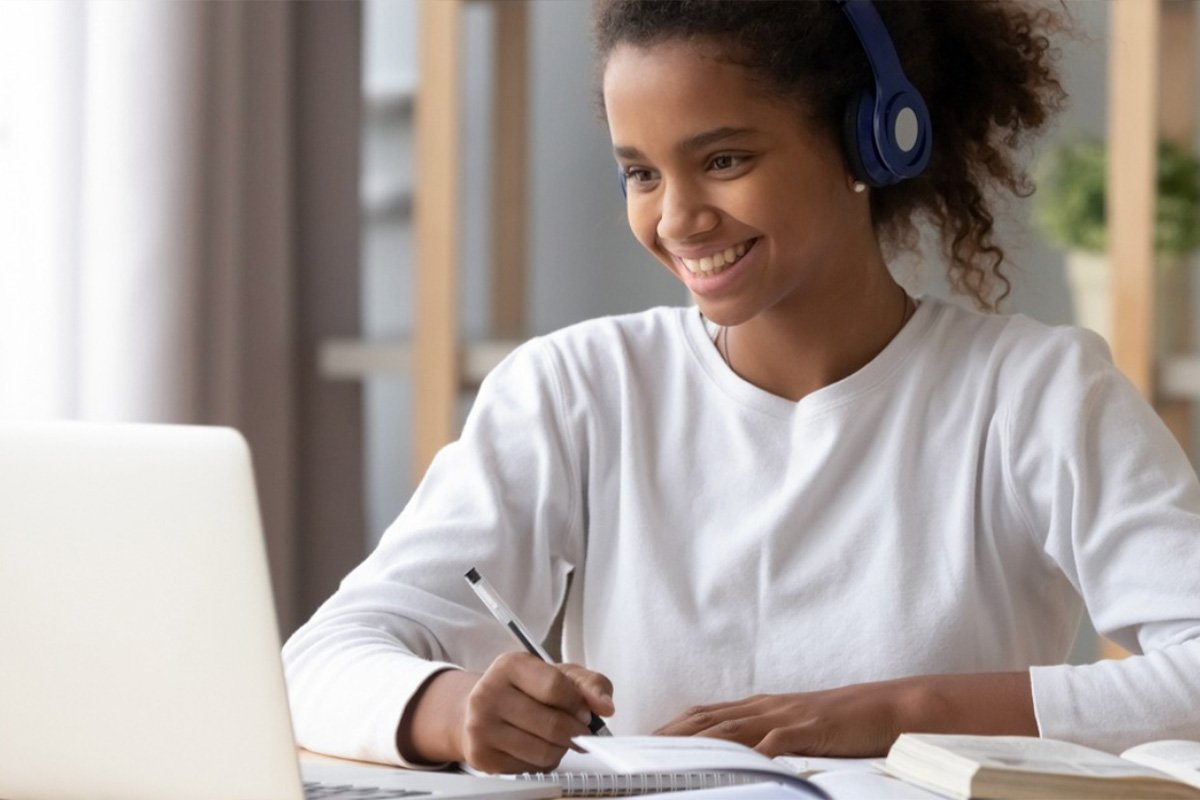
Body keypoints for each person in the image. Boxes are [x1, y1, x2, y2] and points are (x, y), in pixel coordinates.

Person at [283, 0, 1200, 776]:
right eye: (641, 172)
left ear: (869, 141)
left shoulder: (1035, 392)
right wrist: (451, 710)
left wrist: (896, 713)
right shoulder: (575, 388)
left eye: (724, 160)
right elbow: (314, 663)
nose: (676, 218)